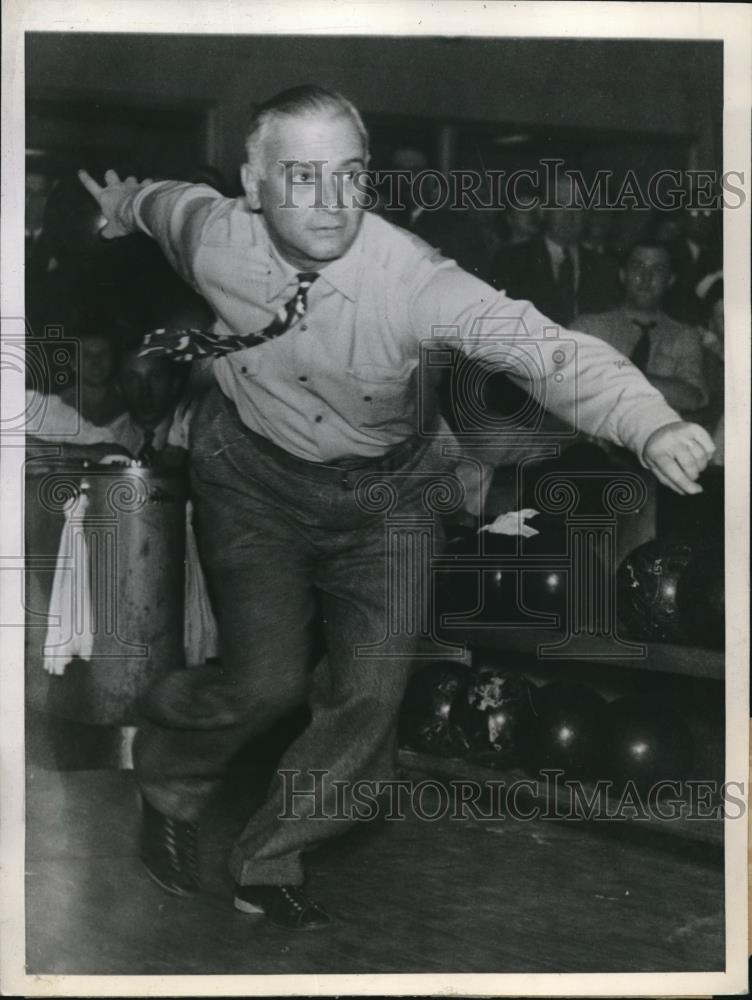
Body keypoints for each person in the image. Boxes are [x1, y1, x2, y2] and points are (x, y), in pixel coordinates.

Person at [78, 84, 715, 932]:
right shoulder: (213, 233)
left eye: (349, 175)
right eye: (301, 177)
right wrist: (123, 204)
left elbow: (549, 351)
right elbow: (161, 206)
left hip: (388, 494)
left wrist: (650, 421)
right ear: (254, 180)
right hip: (253, 483)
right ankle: (168, 777)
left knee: (370, 695)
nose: (332, 202)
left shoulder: (414, 280)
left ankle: (271, 857)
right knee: (262, 683)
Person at [573, 241, 709, 422]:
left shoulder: (684, 336)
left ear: (670, 280)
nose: (646, 277)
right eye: (638, 266)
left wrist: (618, 375)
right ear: (623, 275)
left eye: (658, 269)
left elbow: (692, 397)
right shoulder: (589, 328)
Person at [489, 174, 621, 325]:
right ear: (544, 211)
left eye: (576, 206)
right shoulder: (511, 261)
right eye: (559, 205)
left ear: (586, 212)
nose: (569, 215)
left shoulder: (605, 268)